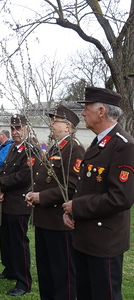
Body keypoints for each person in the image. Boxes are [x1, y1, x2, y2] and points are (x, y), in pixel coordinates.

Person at [62, 87, 134, 300]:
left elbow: (121, 197)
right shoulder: (99, 141)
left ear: (101, 111)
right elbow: (87, 186)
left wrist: (77, 207)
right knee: (84, 293)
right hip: (85, 236)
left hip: (105, 242)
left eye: (86, 108)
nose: (83, 114)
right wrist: (73, 211)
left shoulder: (124, 145)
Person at [25, 104, 85, 300]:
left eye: (54, 120)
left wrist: (41, 197)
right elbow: (45, 179)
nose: (51, 124)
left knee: (63, 275)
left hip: (59, 222)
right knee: (45, 272)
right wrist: (32, 193)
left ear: (67, 126)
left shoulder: (74, 149)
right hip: (44, 220)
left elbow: (71, 187)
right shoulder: (55, 147)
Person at [0, 114, 39, 296]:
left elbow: (22, 177)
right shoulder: (13, 147)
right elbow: (5, 170)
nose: (15, 132)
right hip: (7, 202)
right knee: (6, 239)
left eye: (19, 128)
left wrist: (0, 184)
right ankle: (10, 269)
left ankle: (23, 281)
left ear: (26, 128)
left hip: (20, 202)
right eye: (13, 129)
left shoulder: (31, 149)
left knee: (19, 242)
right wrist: (0, 188)